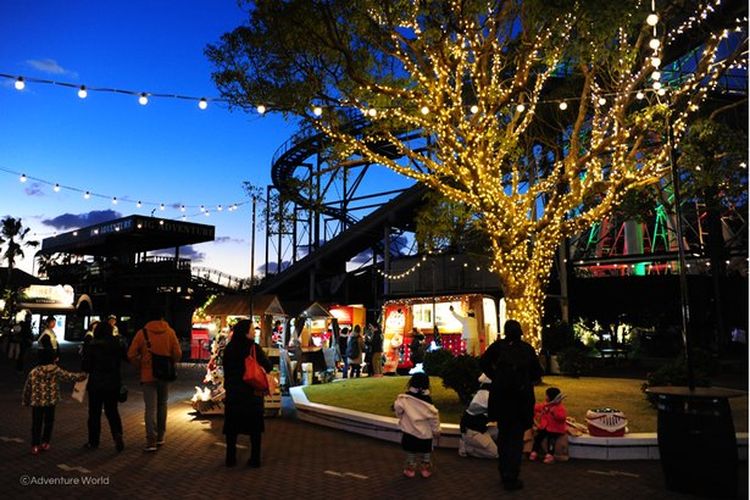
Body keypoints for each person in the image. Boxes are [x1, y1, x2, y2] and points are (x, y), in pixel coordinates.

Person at [480, 319, 543, 492]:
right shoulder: (527, 349)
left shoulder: (498, 347)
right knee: (515, 439)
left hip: (501, 399)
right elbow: (538, 372)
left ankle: (504, 471)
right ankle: (512, 475)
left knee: (504, 435)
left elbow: (483, 363)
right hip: (521, 400)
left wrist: (496, 376)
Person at [127, 309, 182, 451]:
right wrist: (170, 363)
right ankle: (160, 437)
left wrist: (141, 366)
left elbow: (131, 354)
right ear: (162, 318)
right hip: (164, 375)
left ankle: (151, 440)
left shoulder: (142, 333)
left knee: (150, 408)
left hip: (147, 375)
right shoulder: (170, 332)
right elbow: (178, 353)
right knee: (162, 404)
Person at [222, 319, 273, 467]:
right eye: (252, 329)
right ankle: (255, 459)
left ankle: (230, 458)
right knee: (254, 428)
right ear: (246, 332)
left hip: (234, 393)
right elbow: (268, 366)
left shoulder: (229, 348)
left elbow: (226, 369)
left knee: (232, 428)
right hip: (252, 392)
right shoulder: (254, 348)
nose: (254, 331)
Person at [22, 350, 87, 454]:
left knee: (36, 423)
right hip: (50, 401)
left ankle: (35, 445)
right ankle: (45, 442)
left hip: (37, 402)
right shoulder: (55, 370)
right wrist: (82, 375)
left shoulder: (34, 371)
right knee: (49, 422)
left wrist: (25, 401)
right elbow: (69, 376)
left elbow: (27, 388)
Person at [81, 322, 126, 452]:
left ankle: (93, 441)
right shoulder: (116, 344)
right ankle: (117, 434)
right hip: (113, 383)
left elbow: (86, 365)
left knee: (94, 413)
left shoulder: (92, 345)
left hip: (95, 384)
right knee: (112, 411)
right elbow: (125, 358)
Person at [393, 372, 441, 478]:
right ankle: (425, 469)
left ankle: (410, 470)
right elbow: (434, 418)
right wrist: (436, 430)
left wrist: (401, 416)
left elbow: (397, 408)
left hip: (409, 432)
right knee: (426, 452)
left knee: (411, 451)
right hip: (425, 434)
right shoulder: (428, 402)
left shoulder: (404, 399)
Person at [459, 374, 499, 459]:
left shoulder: (483, 394)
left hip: (480, 428)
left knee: (501, 431)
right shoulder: (485, 396)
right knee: (495, 454)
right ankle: (467, 448)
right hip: (472, 431)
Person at [530, 387, 567, 464]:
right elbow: (538, 407)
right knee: (538, 437)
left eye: (547, 395)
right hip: (546, 428)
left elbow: (562, 418)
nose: (545, 397)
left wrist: (553, 412)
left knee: (551, 440)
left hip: (555, 429)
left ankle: (550, 455)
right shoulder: (546, 405)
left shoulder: (559, 408)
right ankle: (534, 451)